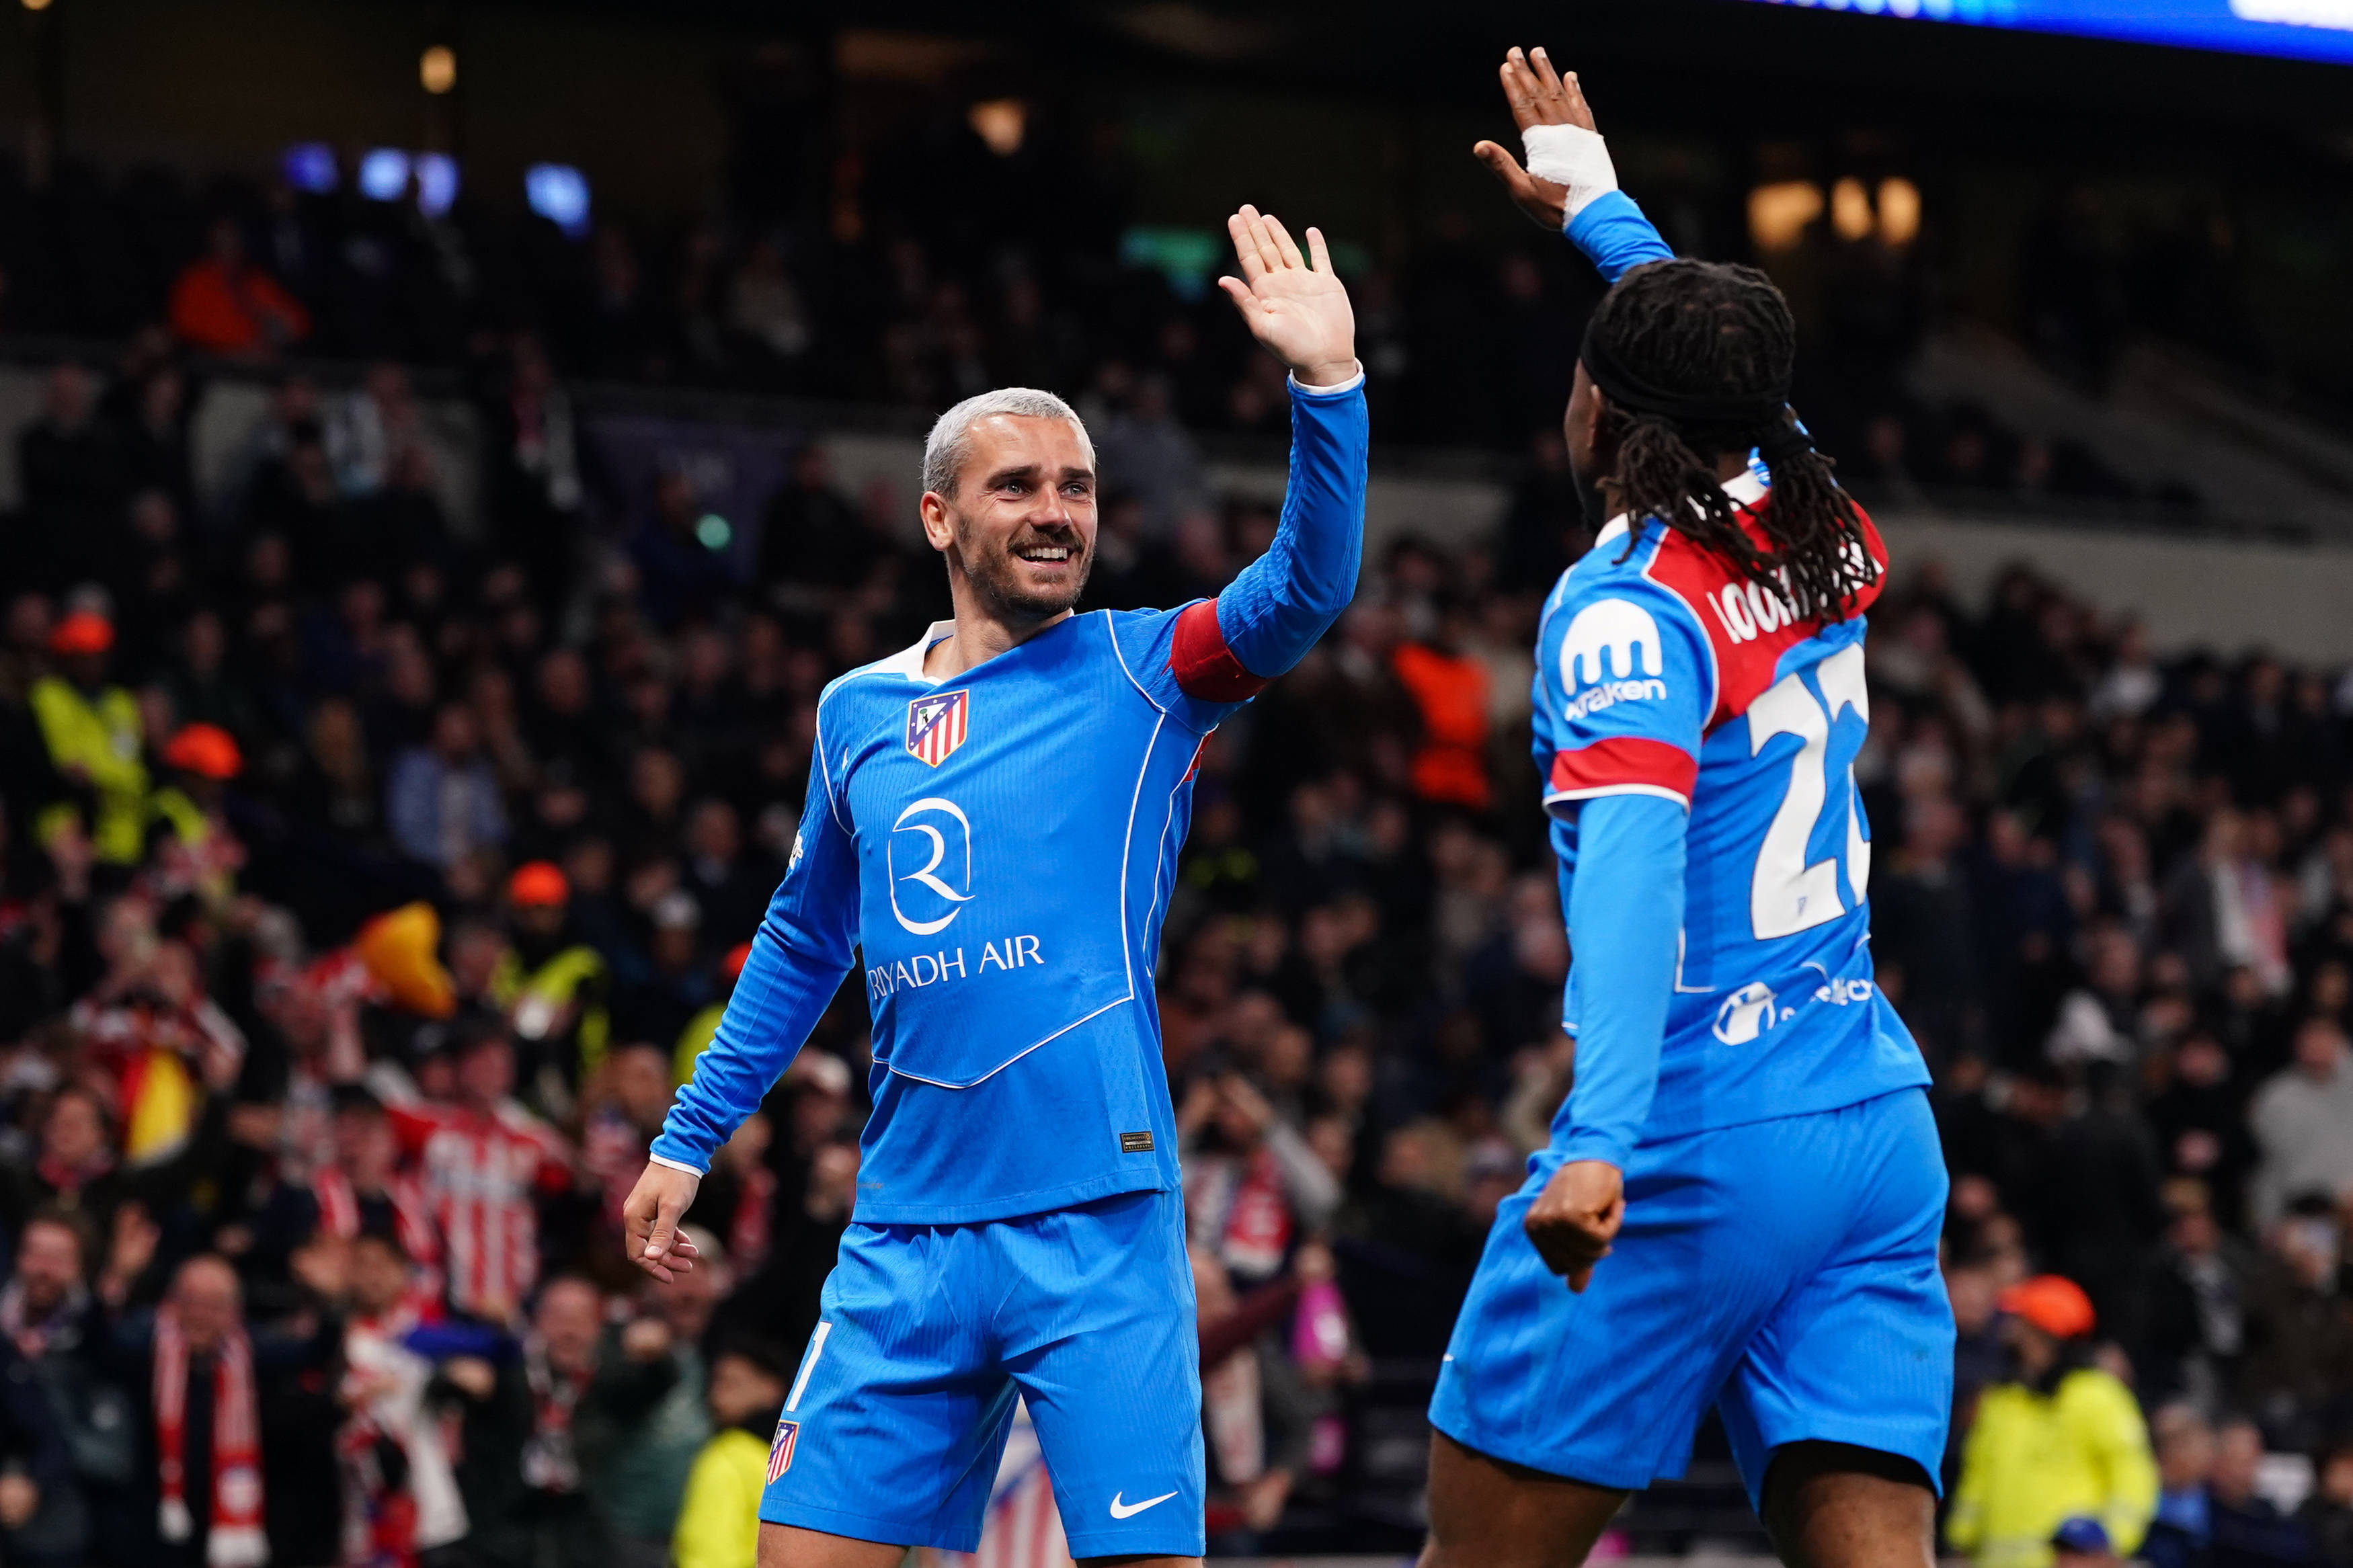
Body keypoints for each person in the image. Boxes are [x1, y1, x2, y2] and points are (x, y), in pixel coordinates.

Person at [623, 202, 1367, 1567]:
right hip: (905, 1225)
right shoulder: (854, 711)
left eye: (1075, 486)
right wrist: (687, 1134)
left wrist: (1326, 385)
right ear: (936, 515)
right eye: (1016, 485)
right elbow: (801, 937)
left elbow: (1304, 588)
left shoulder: (1143, 672)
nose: (1053, 511)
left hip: (1095, 1215)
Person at [1419, 49, 1952, 1568]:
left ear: (1596, 398)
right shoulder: (1823, 523)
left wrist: (1597, 1139)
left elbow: (1634, 877)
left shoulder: (1625, 614)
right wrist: (1596, 202)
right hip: (1869, 1118)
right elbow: (1728, 376)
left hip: (1696, 1146)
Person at [1946, 1276, 2157, 1568]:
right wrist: (1960, 1541)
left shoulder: (2097, 1396)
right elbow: (1977, 1479)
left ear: (2045, 1334)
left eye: (2020, 1322)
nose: (2009, 1332)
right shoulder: (2001, 1401)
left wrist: (2106, 1545)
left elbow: (2133, 1479)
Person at [670, 1341, 793, 1568]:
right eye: (715, 1382)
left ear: (771, 1388)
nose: (716, 1396)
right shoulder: (791, 1458)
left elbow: (710, 1557)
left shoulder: (727, 1457)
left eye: (732, 1383)